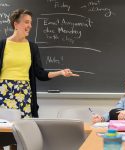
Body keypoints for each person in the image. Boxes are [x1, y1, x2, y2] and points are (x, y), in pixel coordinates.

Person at [0, 8, 79, 149]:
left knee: (19, 137)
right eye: (26, 22)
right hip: (3, 93)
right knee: (2, 135)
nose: (30, 25)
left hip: (24, 95)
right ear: (15, 24)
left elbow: (40, 73)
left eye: (31, 22)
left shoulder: (32, 47)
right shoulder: (2, 45)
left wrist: (61, 72)